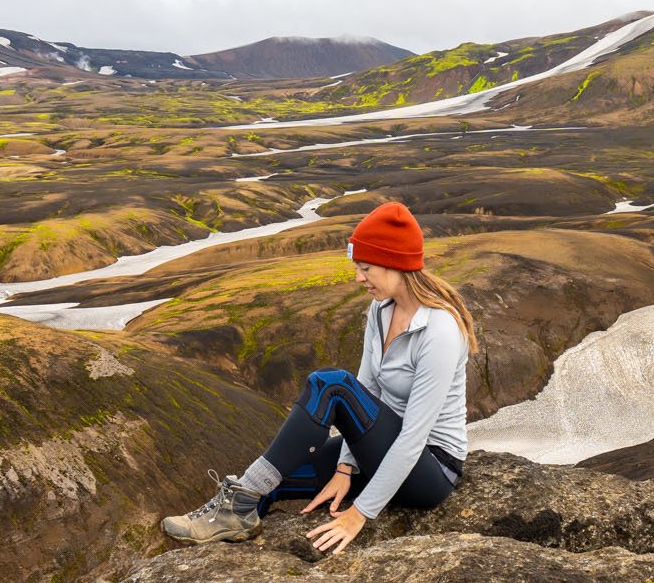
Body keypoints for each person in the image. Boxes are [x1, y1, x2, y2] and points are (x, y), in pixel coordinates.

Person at [161, 199, 476, 554]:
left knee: (331, 384)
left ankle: (239, 503)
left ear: (395, 264)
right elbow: (369, 389)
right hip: (379, 451)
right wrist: (344, 468)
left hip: (429, 470)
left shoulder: (441, 331)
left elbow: (412, 438)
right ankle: (200, 551)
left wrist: (358, 514)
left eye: (366, 268)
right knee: (272, 483)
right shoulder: (381, 310)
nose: (359, 278)